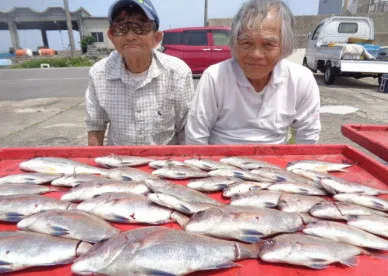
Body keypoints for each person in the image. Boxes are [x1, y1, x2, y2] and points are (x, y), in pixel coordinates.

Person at [185, 0, 320, 145]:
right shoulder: (215, 77)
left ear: (284, 46)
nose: (256, 54)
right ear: (235, 44)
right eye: (246, 43)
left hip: (273, 163)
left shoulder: (301, 79)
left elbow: (308, 137)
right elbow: (196, 138)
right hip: (221, 163)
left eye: (268, 44)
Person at [86, 0, 194, 146]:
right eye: (121, 28)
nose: (130, 36)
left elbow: (185, 128)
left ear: (156, 38)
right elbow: (95, 126)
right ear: (111, 36)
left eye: (141, 27)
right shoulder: (99, 73)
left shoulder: (178, 72)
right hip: (119, 162)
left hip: (164, 163)